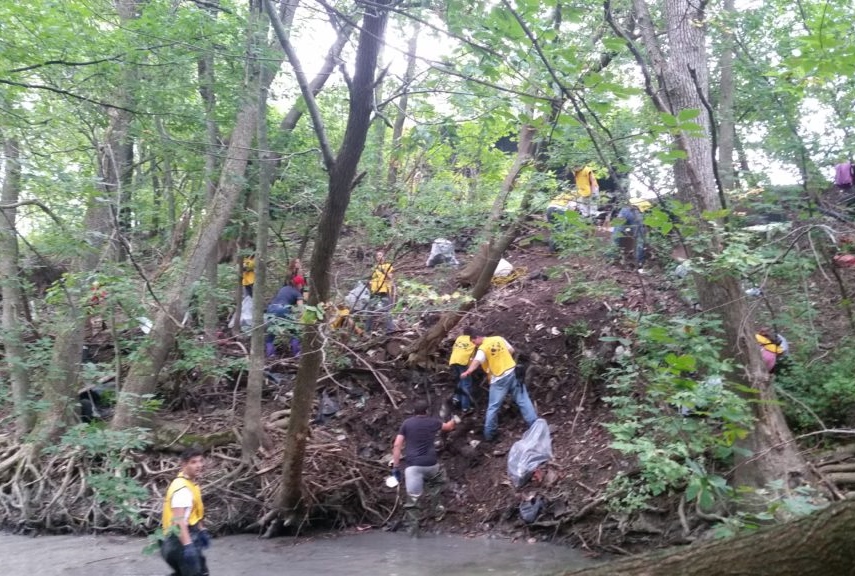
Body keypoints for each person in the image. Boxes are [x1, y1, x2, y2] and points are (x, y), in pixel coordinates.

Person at [459, 327, 538, 442]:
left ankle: (489, 435)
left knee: (493, 407)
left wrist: (468, 372)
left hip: (499, 379)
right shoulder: (499, 339)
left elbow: (477, 361)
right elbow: (511, 350)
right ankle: (534, 425)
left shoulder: (483, 348)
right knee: (523, 399)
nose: (474, 344)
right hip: (512, 372)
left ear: (478, 337)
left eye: (474, 341)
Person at [392, 399, 456, 536]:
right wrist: (455, 418)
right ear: (426, 411)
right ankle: (437, 511)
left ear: (414, 411)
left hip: (413, 468)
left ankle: (414, 532)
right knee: (437, 484)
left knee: (413, 500)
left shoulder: (407, 424)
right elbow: (449, 427)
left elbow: (397, 445)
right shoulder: (433, 422)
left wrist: (396, 467)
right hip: (431, 465)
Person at [160, 447, 210, 576]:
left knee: (200, 571)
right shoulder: (182, 490)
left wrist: (201, 529)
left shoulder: (190, 483)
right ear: (184, 464)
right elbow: (179, 521)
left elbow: (194, 511)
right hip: (178, 541)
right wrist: (188, 546)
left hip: (188, 535)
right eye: (193, 462)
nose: (199, 465)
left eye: (200, 461)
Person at [265, 276, 304, 357]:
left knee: (271, 333)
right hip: (282, 309)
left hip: (271, 308)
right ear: (299, 284)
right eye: (302, 285)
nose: (302, 286)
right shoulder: (297, 293)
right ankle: (297, 354)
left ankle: (270, 355)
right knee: (295, 332)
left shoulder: (284, 288)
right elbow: (301, 309)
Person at [366, 250, 395, 334]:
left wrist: (383, 270)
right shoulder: (374, 268)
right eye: (377, 256)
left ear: (384, 257)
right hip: (375, 291)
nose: (379, 257)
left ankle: (390, 330)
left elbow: (390, 277)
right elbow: (372, 278)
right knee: (370, 310)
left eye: (380, 255)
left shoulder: (388, 266)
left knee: (387, 310)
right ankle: (367, 331)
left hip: (384, 290)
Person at [612, 201, 646, 271]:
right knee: (640, 238)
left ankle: (611, 258)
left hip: (625, 210)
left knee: (617, 233)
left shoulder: (625, 208)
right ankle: (638, 263)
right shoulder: (646, 201)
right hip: (636, 211)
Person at [448, 332, 476, 413]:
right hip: (463, 362)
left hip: (453, 361)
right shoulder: (472, 339)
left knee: (461, 380)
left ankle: (456, 398)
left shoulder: (459, 338)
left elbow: (454, 348)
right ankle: (465, 407)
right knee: (466, 384)